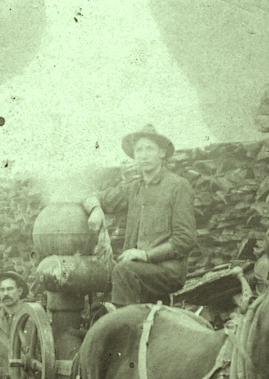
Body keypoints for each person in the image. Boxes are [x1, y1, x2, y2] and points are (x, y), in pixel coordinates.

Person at [81, 124, 197, 306]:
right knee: (102, 280)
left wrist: (145, 255)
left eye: (149, 148)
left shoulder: (178, 186)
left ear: (162, 153)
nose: (144, 155)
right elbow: (96, 197)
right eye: (139, 150)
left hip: (167, 271)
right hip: (137, 269)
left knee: (123, 270)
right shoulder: (134, 188)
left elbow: (185, 239)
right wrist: (96, 209)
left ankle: (122, 327)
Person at [0, 270, 28, 334]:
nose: (5, 293)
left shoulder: (31, 317)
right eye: (2, 290)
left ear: (19, 291)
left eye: (10, 289)